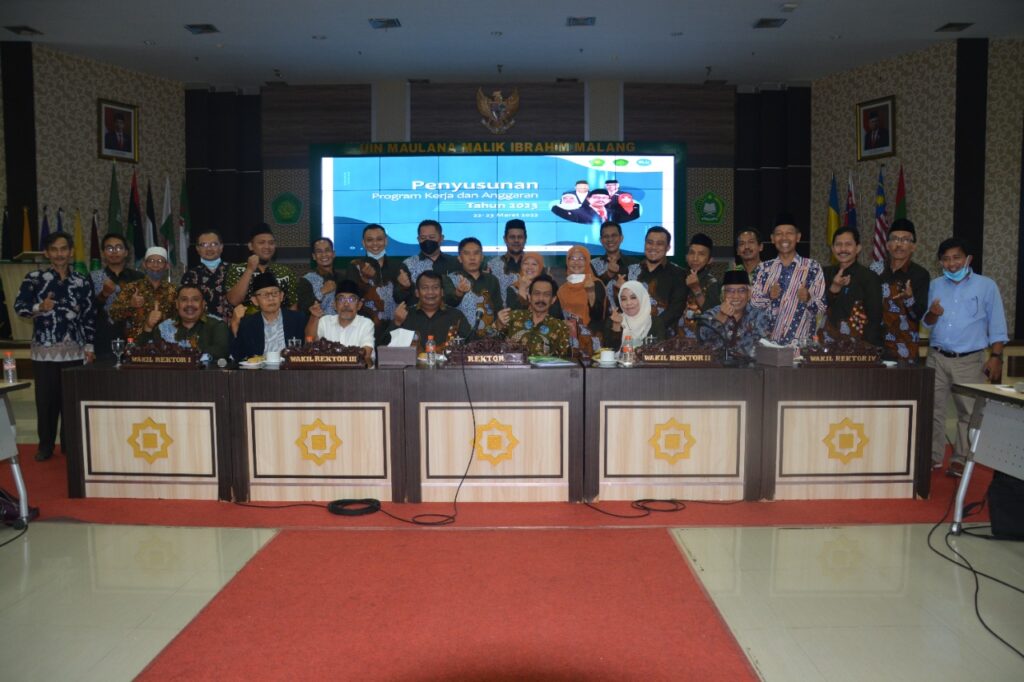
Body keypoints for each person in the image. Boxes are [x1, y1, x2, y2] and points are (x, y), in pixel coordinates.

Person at [923, 238, 1008, 474]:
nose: (952, 264)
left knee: (968, 412)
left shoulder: (986, 286)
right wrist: (933, 313)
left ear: (967, 258)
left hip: (970, 360)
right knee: (932, 409)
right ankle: (932, 456)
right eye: (946, 259)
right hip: (937, 357)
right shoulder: (935, 285)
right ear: (940, 262)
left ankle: (960, 459)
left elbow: (997, 324)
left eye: (956, 258)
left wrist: (996, 356)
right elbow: (927, 322)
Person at [14, 232, 96, 461]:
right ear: (46, 253)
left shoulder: (81, 281)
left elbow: (89, 316)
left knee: (71, 401)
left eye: (64, 249)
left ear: (71, 252)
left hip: (74, 352)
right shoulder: (34, 278)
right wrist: (40, 306)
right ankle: (45, 446)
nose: (60, 254)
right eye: (54, 249)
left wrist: (89, 347)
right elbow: (19, 307)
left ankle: (70, 446)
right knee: (46, 402)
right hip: (45, 353)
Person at [750, 215, 826, 345]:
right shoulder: (763, 269)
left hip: (802, 344)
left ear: (798, 237)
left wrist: (808, 298)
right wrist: (769, 295)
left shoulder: (813, 267)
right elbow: (753, 305)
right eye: (779, 234)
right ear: (772, 239)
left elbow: (822, 308)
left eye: (789, 233)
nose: (784, 238)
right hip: (769, 344)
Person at [874, 218, 931, 363]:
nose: (899, 244)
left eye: (905, 240)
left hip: (906, 349)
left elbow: (919, 315)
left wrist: (909, 298)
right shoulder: (874, 270)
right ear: (887, 245)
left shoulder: (920, 274)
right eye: (895, 239)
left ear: (913, 247)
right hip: (875, 345)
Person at [136, 284, 231, 362]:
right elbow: (140, 353)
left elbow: (221, 351)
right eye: (184, 299)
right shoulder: (165, 327)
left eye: (195, 299)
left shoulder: (217, 325)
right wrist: (148, 327)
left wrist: (181, 354)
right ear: (177, 304)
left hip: (206, 376)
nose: (189, 304)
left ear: (203, 304)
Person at [822, 227, 883, 346]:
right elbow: (817, 309)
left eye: (848, 244)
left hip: (858, 347)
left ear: (858, 248)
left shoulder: (869, 277)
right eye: (838, 244)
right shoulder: (824, 273)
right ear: (832, 248)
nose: (843, 249)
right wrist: (833, 289)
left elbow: (875, 318)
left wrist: (865, 348)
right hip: (827, 345)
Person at [386, 271, 474, 351]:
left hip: (448, 363)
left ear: (442, 292)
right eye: (425, 288)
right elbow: (385, 348)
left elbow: (472, 345)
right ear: (417, 293)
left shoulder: (456, 316)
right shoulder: (405, 315)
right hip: (412, 364)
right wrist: (396, 323)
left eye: (435, 287)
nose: (430, 292)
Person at [342, 224, 404, 338]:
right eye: (370, 240)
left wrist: (406, 287)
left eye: (379, 239)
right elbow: (350, 299)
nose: (375, 244)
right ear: (363, 243)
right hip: (363, 328)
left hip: (395, 326)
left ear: (386, 241)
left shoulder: (398, 266)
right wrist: (364, 280)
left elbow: (402, 299)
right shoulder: (355, 266)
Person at [230, 271, 307, 361]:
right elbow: (238, 356)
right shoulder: (248, 323)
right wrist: (235, 324)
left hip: (289, 367)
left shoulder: (298, 319)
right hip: (260, 369)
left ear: (281, 296)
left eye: (275, 293)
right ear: (255, 301)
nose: (271, 298)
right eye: (264, 294)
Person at [698, 270, 772, 362]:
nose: (736, 296)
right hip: (715, 367)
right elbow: (702, 338)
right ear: (723, 295)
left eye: (741, 291)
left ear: (749, 294)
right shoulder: (711, 314)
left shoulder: (758, 316)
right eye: (730, 291)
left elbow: (762, 347)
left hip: (748, 368)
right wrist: (721, 317)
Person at [622, 226, 687, 330]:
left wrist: (652, 328)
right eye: (650, 242)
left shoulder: (678, 274)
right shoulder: (630, 271)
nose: (653, 247)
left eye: (659, 244)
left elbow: (676, 309)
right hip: (632, 332)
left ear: (668, 247)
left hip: (663, 334)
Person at [91, 232, 144, 359]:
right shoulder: (94, 277)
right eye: (109, 248)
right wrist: (104, 294)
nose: (114, 252)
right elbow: (89, 310)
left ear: (126, 252)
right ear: (103, 253)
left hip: (133, 340)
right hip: (103, 340)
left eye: (119, 248)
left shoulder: (139, 278)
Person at [225, 224, 298, 315]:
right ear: (251, 246)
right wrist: (249, 270)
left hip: (278, 323)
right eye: (261, 242)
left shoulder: (285, 272)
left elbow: (293, 304)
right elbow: (234, 301)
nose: (267, 246)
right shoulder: (236, 269)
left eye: (271, 243)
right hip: (246, 322)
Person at [495, 274, 571, 358]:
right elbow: (487, 342)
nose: (541, 299)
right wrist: (498, 324)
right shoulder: (513, 317)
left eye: (546, 295)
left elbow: (565, 361)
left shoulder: (560, 328)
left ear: (553, 300)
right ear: (529, 297)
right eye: (536, 293)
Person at [109, 246, 177, 340]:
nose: (155, 265)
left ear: (167, 266)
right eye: (151, 261)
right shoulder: (132, 288)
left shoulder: (173, 290)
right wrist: (130, 304)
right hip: (137, 343)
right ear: (144, 264)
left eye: (160, 261)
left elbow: (181, 318)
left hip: (167, 343)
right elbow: (113, 314)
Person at [306, 280, 376, 366]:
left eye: (352, 299)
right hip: (329, 373)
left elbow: (366, 354)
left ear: (359, 305)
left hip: (358, 373)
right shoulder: (325, 322)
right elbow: (309, 344)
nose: (346, 304)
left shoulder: (366, 324)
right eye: (341, 299)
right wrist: (314, 317)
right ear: (334, 305)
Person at [444, 237, 503, 332]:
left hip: (489, 336)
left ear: (482, 257)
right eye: (467, 253)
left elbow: (498, 308)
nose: (472, 258)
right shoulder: (450, 278)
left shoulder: (492, 280)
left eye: (476, 253)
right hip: (460, 335)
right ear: (459, 258)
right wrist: (459, 293)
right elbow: (448, 303)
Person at [396, 219, 459, 305]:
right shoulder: (408, 264)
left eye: (432, 237)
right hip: (417, 313)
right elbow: (397, 298)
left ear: (441, 238)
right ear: (418, 239)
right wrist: (404, 288)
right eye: (423, 238)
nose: (427, 241)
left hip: (449, 313)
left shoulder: (455, 262)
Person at [558, 245, 605, 355]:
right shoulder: (562, 289)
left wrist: (590, 292)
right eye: (573, 258)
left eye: (581, 258)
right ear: (567, 262)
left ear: (587, 261)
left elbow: (598, 316)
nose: (576, 262)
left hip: (590, 342)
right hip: (567, 341)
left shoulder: (596, 284)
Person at [180, 230, 231, 321]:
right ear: (197, 249)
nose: (209, 249)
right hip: (201, 325)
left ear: (221, 247)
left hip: (230, 324)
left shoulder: (233, 270)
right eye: (204, 245)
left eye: (214, 244)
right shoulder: (190, 275)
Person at [679, 233, 721, 337]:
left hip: (701, 338)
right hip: (675, 337)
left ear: (710, 260)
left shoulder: (713, 283)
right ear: (686, 256)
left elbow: (714, 317)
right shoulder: (677, 277)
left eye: (701, 254)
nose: (695, 258)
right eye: (691, 253)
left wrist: (696, 289)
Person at [603, 280, 666, 350]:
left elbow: (660, 350)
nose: (628, 303)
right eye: (623, 299)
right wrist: (616, 326)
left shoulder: (656, 323)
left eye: (633, 297)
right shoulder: (612, 321)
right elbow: (609, 352)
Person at [298, 237, 344, 319]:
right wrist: (322, 291)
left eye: (327, 250)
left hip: (342, 324)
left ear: (333, 254)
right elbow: (303, 308)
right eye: (319, 251)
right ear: (314, 256)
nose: (324, 254)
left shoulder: (343, 278)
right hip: (316, 325)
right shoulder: (306, 280)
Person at [487, 219, 527, 307]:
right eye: (512, 237)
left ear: (525, 239)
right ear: (505, 239)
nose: (516, 240)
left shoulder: (535, 266)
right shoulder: (492, 266)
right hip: (501, 314)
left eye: (520, 237)